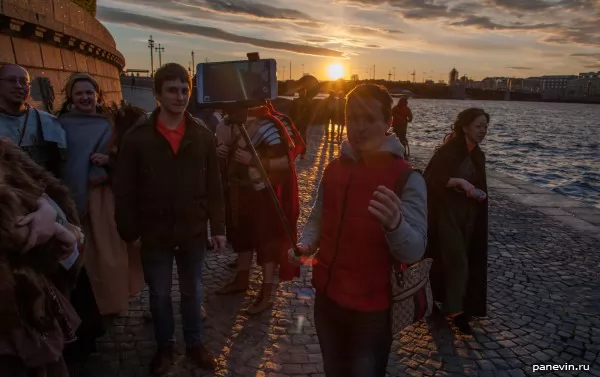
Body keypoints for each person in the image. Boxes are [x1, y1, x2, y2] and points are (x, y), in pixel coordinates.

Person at [288, 84, 427, 377]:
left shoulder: (407, 178)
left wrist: (395, 225)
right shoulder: (334, 169)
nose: (359, 128)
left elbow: (415, 249)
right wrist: (305, 245)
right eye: (352, 118)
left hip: (372, 308)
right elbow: (318, 217)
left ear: (389, 123)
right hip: (327, 299)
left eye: (369, 119)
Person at [114, 63, 227, 375]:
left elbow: (215, 186)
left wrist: (217, 227)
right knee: (160, 294)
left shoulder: (202, 136)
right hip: (154, 233)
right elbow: (124, 189)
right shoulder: (138, 137)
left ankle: (195, 344)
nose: (180, 96)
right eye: (172, 90)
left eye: (184, 90)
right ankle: (164, 346)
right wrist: (130, 232)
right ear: (158, 94)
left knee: (192, 292)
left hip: (192, 231)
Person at [0, 137, 83, 377]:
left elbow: (42, 192)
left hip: (28, 300)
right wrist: (46, 226)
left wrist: (47, 209)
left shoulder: (7, 152)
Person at [215, 104, 300, 314]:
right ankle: (241, 278)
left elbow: (284, 163)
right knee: (240, 236)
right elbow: (224, 152)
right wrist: (220, 150)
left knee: (266, 243)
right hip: (237, 192)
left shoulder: (269, 126)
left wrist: (253, 159)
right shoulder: (229, 124)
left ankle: (266, 293)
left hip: (262, 193)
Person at [423, 108, 489, 335]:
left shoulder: (478, 155)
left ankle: (448, 301)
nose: (483, 131)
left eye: (485, 127)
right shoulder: (448, 151)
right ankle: (456, 312)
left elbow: (479, 182)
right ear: (465, 127)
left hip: (470, 216)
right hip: (447, 213)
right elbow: (431, 179)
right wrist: (458, 182)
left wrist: (478, 193)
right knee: (457, 259)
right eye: (479, 126)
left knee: (467, 259)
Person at [0, 64, 66, 178]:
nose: (18, 86)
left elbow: (62, 169)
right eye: (11, 80)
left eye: (24, 82)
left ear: (29, 88)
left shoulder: (49, 122)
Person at [291, 89, 310, 158]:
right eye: (300, 92)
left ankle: (302, 153)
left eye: (303, 92)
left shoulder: (307, 102)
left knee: (303, 138)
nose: (302, 93)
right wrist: (292, 120)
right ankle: (295, 152)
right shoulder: (295, 101)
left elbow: (309, 113)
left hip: (303, 122)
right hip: (296, 121)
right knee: (295, 137)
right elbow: (292, 111)